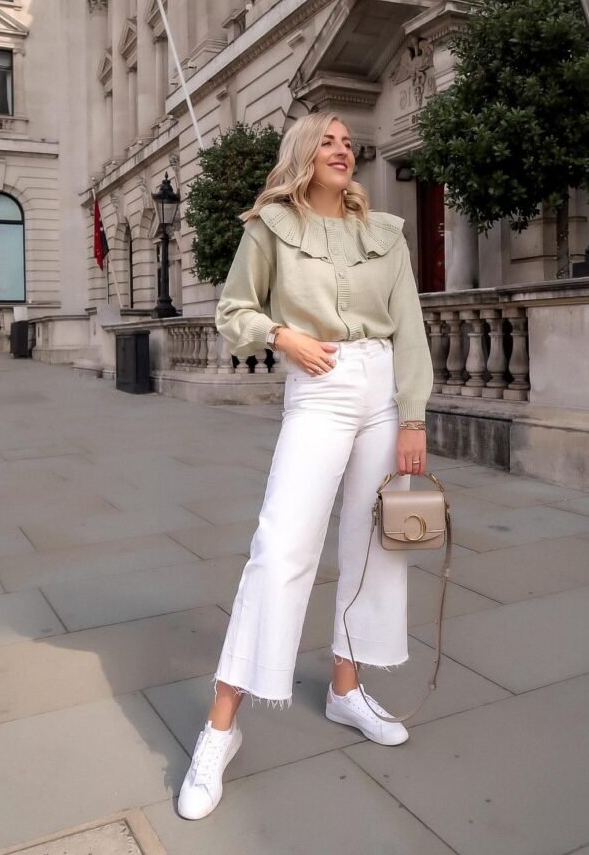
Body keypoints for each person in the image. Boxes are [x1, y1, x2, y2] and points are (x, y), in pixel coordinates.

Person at [177, 112, 434, 820]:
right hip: (317, 391)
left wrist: (412, 415)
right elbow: (234, 312)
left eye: (348, 142)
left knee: (373, 548)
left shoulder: (383, 235)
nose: (342, 149)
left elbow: (409, 327)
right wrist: (282, 334)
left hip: (381, 393)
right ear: (302, 153)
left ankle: (346, 690)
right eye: (327, 140)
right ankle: (219, 729)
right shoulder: (270, 228)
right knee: (280, 548)